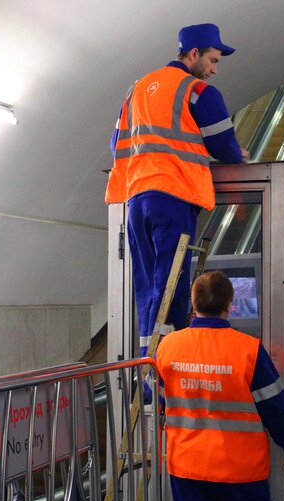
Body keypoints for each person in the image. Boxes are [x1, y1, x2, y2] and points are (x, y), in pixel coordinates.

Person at [105, 23, 248, 357]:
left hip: (137, 199)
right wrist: (237, 154)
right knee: (173, 285)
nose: (214, 69)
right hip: (172, 196)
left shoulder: (136, 89)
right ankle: (170, 368)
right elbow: (223, 144)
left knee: (148, 288)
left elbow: (117, 143)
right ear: (194, 53)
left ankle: (147, 370)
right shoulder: (196, 91)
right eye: (213, 60)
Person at [153, 271, 284, 501]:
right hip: (240, 471)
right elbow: (276, 407)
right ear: (230, 302)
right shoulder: (248, 350)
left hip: (187, 468)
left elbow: (161, 397)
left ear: (192, 302)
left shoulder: (168, 347)